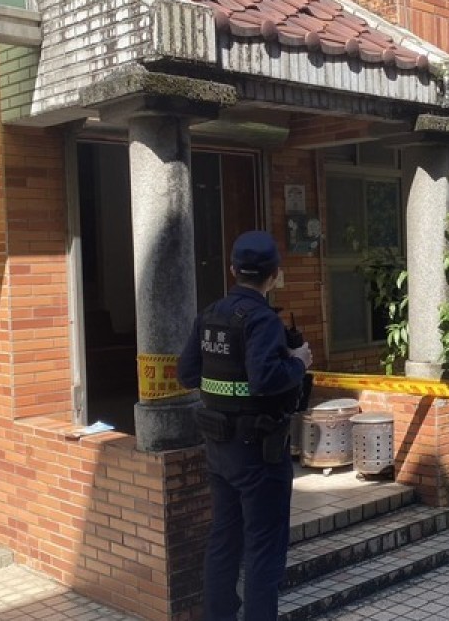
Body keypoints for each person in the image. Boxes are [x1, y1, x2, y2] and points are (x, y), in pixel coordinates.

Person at [178, 231, 313, 621]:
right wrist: (298, 362)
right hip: (260, 453)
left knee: (224, 540)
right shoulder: (262, 320)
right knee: (263, 550)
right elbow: (264, 379)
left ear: (233, 269)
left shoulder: (209, 315)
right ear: (274, 275)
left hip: (219, 449)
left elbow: (187, 374)